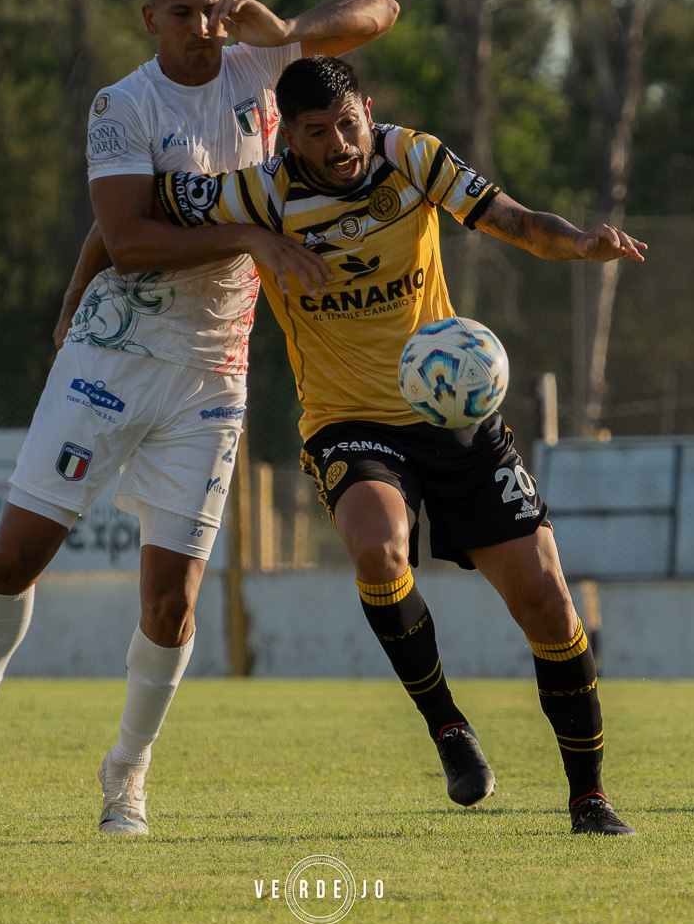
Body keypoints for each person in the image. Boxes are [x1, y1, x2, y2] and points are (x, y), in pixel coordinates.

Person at [0, 0, 399, 836]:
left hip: (214, 374)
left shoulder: (261, 66)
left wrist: (281, 28)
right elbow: (124, 238)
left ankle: (126, 776)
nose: (204, 27)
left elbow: (380, 10)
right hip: (112, 356)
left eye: (213, 8)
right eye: (185, 12)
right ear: (149, 17)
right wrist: (251, 242)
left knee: (172, 603)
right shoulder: (121, 105)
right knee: (15, 557)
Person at [153, 56, 648, 835]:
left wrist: (580, 243)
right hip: (351, 420)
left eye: (348, 123)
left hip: (455, 415)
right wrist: (253, 237)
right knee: (380, 550)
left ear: (367, 111)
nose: (341, 143)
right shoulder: (261, 191)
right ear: (290, 136)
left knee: (549, 603)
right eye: (318, 133)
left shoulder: (411, 157)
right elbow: (138, 206)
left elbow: (512, 219)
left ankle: (590, 798)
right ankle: (449, 728)